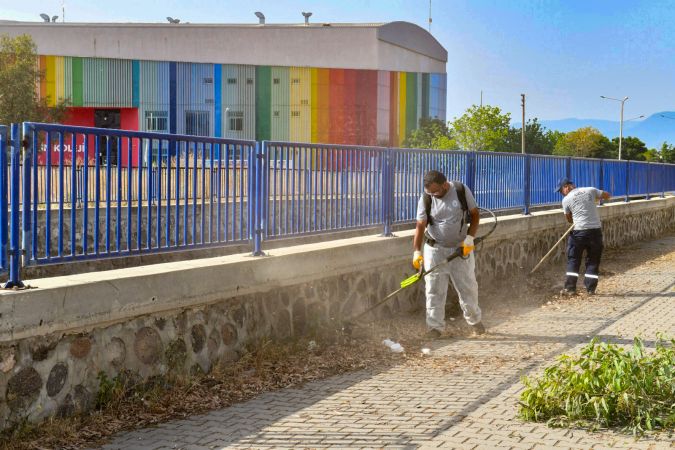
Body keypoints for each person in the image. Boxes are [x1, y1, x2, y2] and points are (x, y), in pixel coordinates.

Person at [413, 170, 484, 339]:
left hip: (460, 249)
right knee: (434, 289)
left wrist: (469, 238)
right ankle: (434, 328)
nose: (433, 195)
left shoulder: (460, 190)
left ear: (445, 185)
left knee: (467, 287)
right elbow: (420, 225)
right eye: (429, 192)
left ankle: (475, 321)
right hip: (435, 249)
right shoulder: (426, 198)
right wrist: (417, 251)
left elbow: (475, 215)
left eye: (435, 191)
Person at [555, 177, 610, 295]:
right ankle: (590, 289)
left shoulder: (566, 200)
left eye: (560, 191)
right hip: (595, 232)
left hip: (579, 233)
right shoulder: (590, 190)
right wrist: (595, 198)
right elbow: (607, 195)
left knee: (574, 260)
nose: (561, 193)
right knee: (593, 260)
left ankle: (570, 288)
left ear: (566, 187)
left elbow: (569, 219)